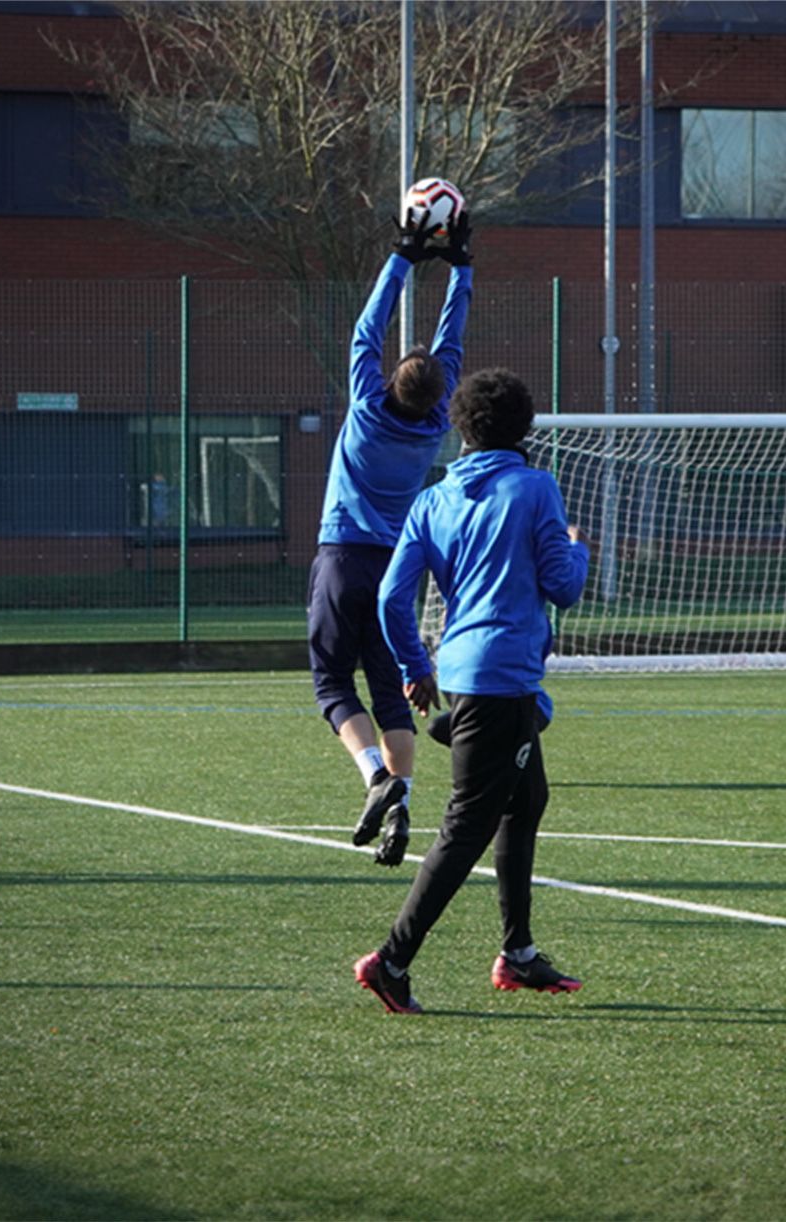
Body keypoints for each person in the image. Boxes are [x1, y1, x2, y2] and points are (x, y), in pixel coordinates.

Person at [354, 367, 591, 1014]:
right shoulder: (535, 488)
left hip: (461, 671)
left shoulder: (435, 498)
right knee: (467, 825)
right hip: (503, 676)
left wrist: (414, 664)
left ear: (461, 427)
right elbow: (563, 586)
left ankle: (517, 955)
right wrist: (580, 551)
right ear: (524, 426)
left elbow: (391, 598)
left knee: (526, 798)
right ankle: (392, 961)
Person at [307, 209, 473, 868]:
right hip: (396, 569)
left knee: (329, 684)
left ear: (388, 382)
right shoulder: (435, 423)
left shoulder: (368, 409)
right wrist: (461, 264)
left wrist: (404, 255)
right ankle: (401, 800)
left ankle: (377, 777)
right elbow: (451, 337)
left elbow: (365, 329)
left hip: (342, 556)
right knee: (390, 689)